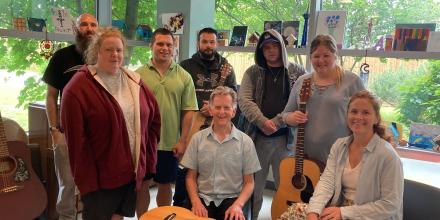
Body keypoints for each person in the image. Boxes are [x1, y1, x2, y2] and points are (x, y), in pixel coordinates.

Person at [60, 27, 161, 220]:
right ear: (96, 51)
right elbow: (76, 144)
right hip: (100, 178)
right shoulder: (78, 88)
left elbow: (154, 120)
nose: (115, 54)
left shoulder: (134, 80)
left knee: (118, 217)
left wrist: (146, 158)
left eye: (119, 50)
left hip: (130, 172)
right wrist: (86, 182)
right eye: (109, 49)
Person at [298, 90, 403, 220]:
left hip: (371, 216)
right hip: (339, 210)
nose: (358, 117)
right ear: (347, 115)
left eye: (365, 112)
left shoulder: (388, 155)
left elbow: (390, 205)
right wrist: (313, 212)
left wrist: (344, 213)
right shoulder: (339, 146)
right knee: (292, 213)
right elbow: (327, 182)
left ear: (376, 118)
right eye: (354, 111)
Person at [238, 29, 306, 219]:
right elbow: (244, 100)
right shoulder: (252, 72)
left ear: (282, 47)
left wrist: (277, 122)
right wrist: (262, 121)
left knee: (285, 190)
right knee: (254, 189)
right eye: (266, 47)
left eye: (275, 46)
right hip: (256, 139)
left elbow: (303, 102)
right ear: (261, 50)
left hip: (287, 141)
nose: (270, 50)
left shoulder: (297, 73)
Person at [136, 28, 198, 215]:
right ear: (151, 45)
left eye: (169, 44)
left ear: (174, 47)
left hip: (170, 143)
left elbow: (188, 111)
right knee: (142, 186)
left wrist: (183, 140)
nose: (164, 48)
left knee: (165, 186)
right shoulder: (137, 75)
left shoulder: (184, 76)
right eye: (160, 44)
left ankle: (162, 218)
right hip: (143, 143)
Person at [41, 13, 98, 220]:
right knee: (67, 185)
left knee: (94, 186)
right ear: (76, 29)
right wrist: (54, 129)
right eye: (84, 24)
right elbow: (50, 96)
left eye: (93, 25)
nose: (89, 28)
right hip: (65, 133)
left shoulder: (104, 57)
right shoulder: (61, 57)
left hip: (96, 136)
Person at [174, 27, 238, 207]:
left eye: (212, 42)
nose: (208, 46)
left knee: (207, 167)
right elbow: (179, 95)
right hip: (193, 123)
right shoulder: (186, 66)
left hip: (216, 126)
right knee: (186, 166)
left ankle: (204, 204)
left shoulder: (226, 67)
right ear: (198, 43)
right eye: (205, 42)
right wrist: (198, 106)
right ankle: (179, 204)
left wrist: (215, 108)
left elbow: (233, 96)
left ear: (217, 43)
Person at [283, 34, 365, 165]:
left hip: (338, 159)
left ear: (335, 55)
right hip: (303, 159)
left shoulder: (352, 81)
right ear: (310, 58)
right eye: (316, 56)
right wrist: (291, 118)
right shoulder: (302, 81)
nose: (321, 60)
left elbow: (365, 116)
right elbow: (285, 115)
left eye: (326, 55)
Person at [181, 86, 261, 220]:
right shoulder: (197, 139)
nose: (221, 112)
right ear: (211, 110)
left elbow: (249, 183)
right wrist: (195, 202)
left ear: (234, 111)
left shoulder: (246, 142)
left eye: (226, 107)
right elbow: (190, 177)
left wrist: (238, 205)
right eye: (217, 107)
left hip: (232, 199)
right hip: (203, 199)